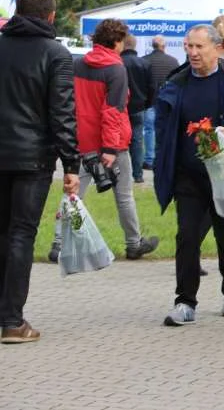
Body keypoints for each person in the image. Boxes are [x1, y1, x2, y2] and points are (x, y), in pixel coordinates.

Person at [154, 24, 224, 326]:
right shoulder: (177, 82)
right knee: (186, 236)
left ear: (217, 48)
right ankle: (185, 301)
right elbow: (163, 125)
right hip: (189, 174)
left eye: (200, 47)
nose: (193, 53)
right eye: (189, 46)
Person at [0, 0, 80, 344]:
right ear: (50, 17)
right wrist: (72, 164)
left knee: (3, 232)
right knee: (21, 234)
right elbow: (62, 114)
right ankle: (13, 321)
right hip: (33, 158)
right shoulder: (56, 54)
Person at [49, 19, 159, 263]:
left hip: (81, 141)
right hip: (111, 144)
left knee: (72, 194)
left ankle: (58, 243)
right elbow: (113, 111)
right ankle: (134, 243)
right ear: (117, 41)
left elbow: (68, 103)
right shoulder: (116, 69)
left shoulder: (78, 64)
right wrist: (110, 147)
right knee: (124, 195)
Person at [142, 36, 180, 171]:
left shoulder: (145, 61)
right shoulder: (173, 61)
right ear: (164, 47)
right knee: (166, 130)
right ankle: (164, 158)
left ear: (152, 45)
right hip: (167, 102)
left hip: (150, 101)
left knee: (149, 130)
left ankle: (149, 159)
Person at [121, 35, 154, 184]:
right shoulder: (144, 64)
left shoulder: (118, 62)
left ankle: (116, 174)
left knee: (116, 140)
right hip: (139, 107)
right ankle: (138, 174)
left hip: (120, 107)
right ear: (134, 46)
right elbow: (152, 87)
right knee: (137, 140)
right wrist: (147, 104)